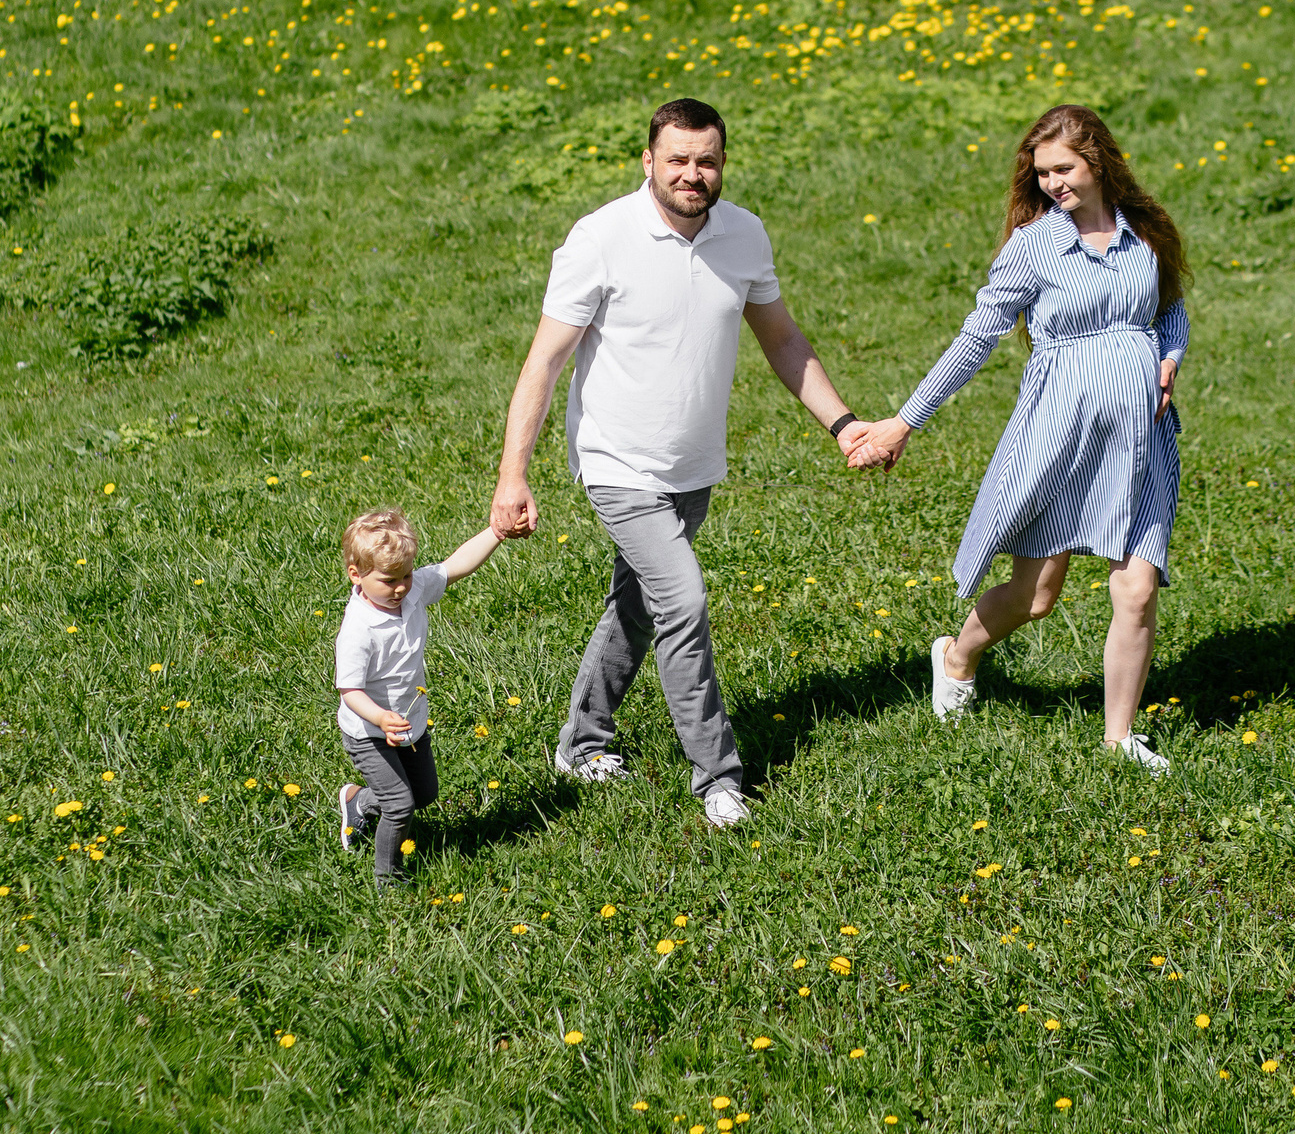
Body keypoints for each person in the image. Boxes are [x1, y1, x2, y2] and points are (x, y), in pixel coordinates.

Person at [493, 97, 871, 828]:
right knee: (683, 602)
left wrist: (844, 424)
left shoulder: (744, 236)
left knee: (639, 606)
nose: (693, 174)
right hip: (616, 461)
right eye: (678, 160)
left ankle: (582, 739)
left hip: (693, 465)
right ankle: (718, 777)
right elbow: (544, 362)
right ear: (648, 162)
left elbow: (783, 341)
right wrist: (515, 473)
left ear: (722, 162)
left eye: (707, 160)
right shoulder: (601, 238)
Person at [847, 104, 1190, 773]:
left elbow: (1169, 306)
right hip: (1062, 435)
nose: (1054, 183)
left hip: (1142, 439)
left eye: (1064, 168)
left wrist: (1170, 356)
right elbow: (977, 337)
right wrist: (904, 421)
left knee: (1137, 588)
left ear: (1099, 159)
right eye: (1042, 173)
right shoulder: (1034, 245)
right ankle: (958, 655)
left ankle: (1119, 739)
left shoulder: (1144, 231)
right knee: (1037, 596)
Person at [334, 505, 510, 881]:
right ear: (357, 575)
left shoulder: (410, 594)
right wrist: (380, 717)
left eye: (407, 576)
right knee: (400, 807)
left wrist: (497, 532)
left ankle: (357, 802)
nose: (399, 587)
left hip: (410, 720)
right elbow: (349, 689)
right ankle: (388, 879)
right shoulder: (359, 629)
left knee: (425, 794)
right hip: (369, 732)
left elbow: (456, 566)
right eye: (388, 580)